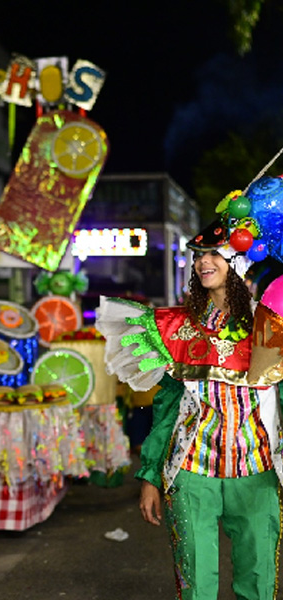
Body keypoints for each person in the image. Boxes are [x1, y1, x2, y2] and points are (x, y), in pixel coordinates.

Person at [96, 218, 283, 600]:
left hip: (257, 470)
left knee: (259, 580)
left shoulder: (270, 324)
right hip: (192, 470)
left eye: (215, 253)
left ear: (239, 263)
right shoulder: (177, 327)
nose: (203, 262)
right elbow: (167, 407)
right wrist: (150, 476)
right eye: (198, 255)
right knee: (195, 583)